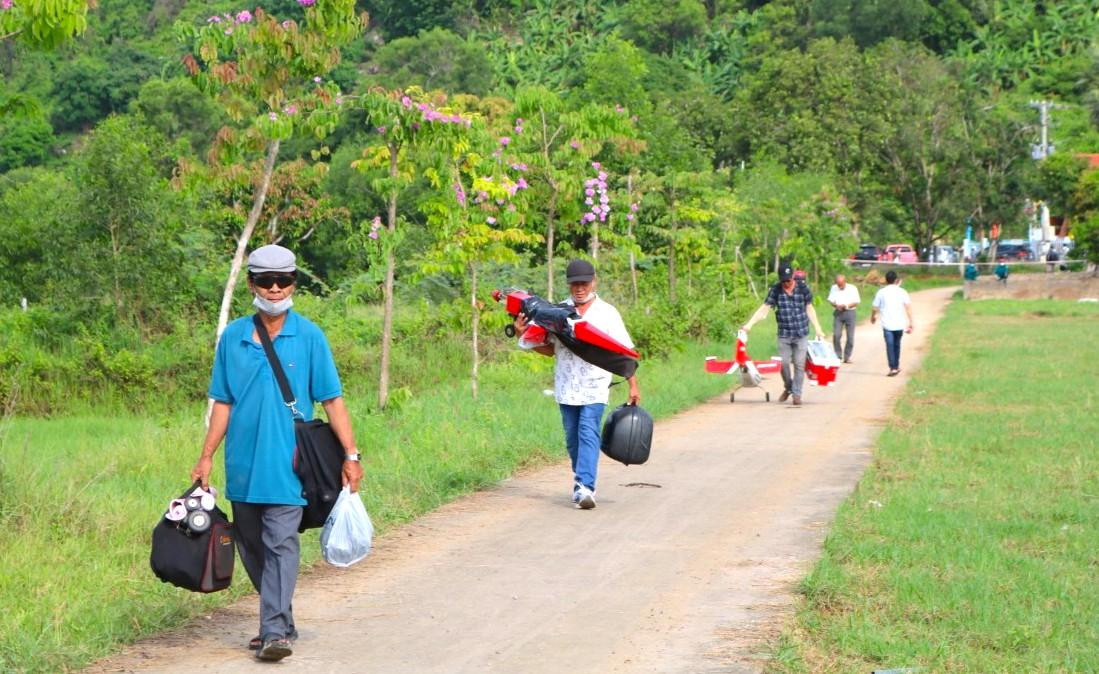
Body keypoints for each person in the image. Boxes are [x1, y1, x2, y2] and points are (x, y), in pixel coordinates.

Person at [190, 244, 363, 662]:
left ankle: (272, 632)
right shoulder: (232, 338)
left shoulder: (309, 336)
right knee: (251, 545)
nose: (273, 289)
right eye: (265, 281)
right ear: (251, 283)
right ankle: (281, 619)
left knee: (281, 542)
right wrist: (206, 455)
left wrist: (351, 455)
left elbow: (332, 401)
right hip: (243, 465)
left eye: (282, 280)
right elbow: (223, 403)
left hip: (290, 465)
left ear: (293, 284)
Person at [513, 259, 640, 510]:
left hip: (595, 384)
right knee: (572, 439)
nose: (579, 288)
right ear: (569, 285)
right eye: (574, 284)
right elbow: (549, 350)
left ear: (593, 282)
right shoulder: (556, 312)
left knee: (587, 432)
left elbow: (625, 354)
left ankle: (585, 487)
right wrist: (521, 334)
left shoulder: (607, 313)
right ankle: (581, 478)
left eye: (583, 283)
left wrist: (633, 385)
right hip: (567, 385)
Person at [741, 262, 826, 406]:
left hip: (801, 333)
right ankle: (788, 387)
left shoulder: (803, 289)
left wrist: (818, 328)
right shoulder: (776, 290)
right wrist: (749, 324)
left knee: (799, 364)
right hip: (784, 334)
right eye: (784, 281)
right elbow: (764, 309)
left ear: (793, 276)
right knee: (783, 364)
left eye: (789, 280)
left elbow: (810, 308)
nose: (786, 283)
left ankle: (797, 394)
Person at [870, 270, 913, 377]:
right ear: (896, 280)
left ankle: (893, 367)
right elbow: (908, 307)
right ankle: (895, 366)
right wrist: (911, 322)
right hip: (899, 323)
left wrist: (873, 317)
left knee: (890, 345)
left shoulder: (881, 292)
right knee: (897, 345)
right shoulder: (902, 291)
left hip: (887, 324)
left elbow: (875, 307)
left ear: (886, 280)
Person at [826, 273, 860, 363]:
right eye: (838, 284)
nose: (839, 286)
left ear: (845, 281)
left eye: (841, 284)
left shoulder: (852, 288)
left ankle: (847, 356)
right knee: (836, 335)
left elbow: (856, 301)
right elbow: (830, 300)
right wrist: (835, 305)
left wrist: (846, 305)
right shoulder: (834, 288)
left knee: (850, 337)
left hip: (850, 312)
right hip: (838, 312)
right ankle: (838, 355)